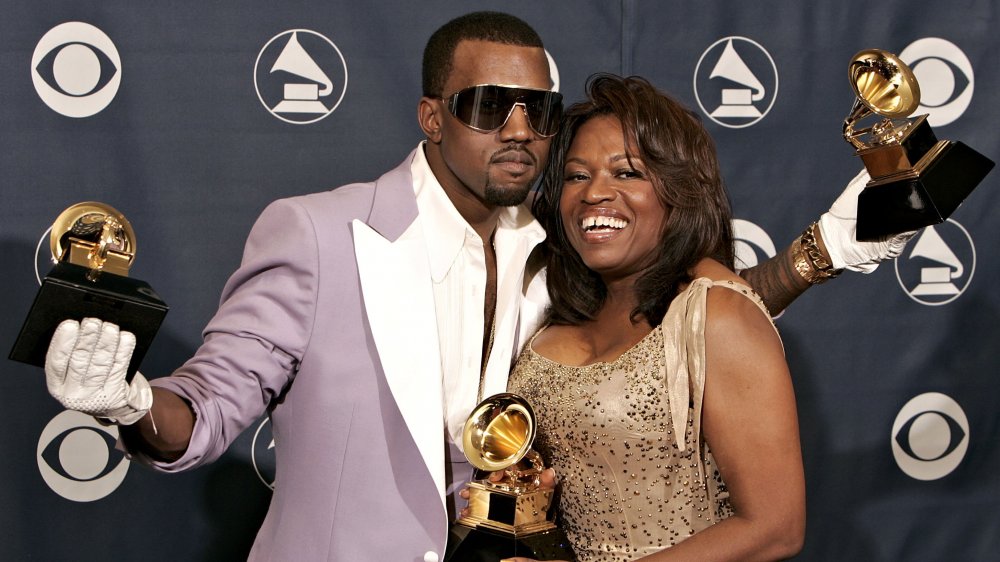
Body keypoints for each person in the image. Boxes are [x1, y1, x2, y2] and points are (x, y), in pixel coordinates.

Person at [40, 11, 907, 562]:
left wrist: (824, 251)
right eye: (489, 106)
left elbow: (668, 332)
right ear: (433, 116)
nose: (521, 129)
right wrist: (127, 402)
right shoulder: (320, 234)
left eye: (539, 109)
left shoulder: (560, 245)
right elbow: (211, 403)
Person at [505, 73, 804, 562]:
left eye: (627, 173)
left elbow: (775, 528)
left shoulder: (717, 313)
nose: (593, 193)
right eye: (577, 176)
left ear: (679, 190)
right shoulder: (560, 307)